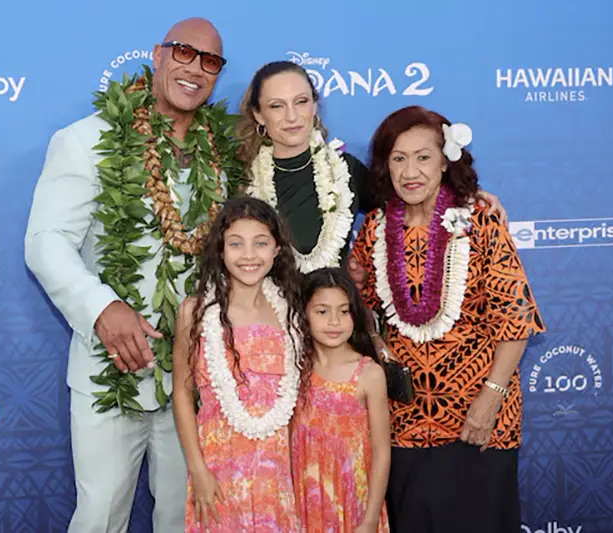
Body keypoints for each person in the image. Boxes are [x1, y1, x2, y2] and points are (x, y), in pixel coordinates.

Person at [24, 17, 242, 533]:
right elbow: (45, 241)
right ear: (158, 54)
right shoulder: (88, 139)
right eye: (184, 52)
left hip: (198, 376)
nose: (195, 69)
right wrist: (101, 306)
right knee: (100, 515)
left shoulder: (227, 153)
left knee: (187, 517)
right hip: (113, 370)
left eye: (210, 61)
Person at [350, 105, 546, 533]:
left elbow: (514, 320)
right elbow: (361, 309)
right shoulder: (375, 228)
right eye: (398, 158)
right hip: (404, 424)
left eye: (423, 156)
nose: (410, 171)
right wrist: (379, 346)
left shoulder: (480, 221)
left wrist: (490, 397)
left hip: (478, 420)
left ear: (445, 159)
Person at [235, 60, 508, 277]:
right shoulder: (240, 177)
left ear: (315, 105)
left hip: (330, 324)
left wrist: (469, 195)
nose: (292, 116)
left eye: (301, 102)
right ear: (259, 115)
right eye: (276, 106)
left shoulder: (344, 170)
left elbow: (409, 195)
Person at [171, 196, 304, 532]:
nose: (248, 255)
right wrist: (198, 471)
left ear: (276, 250)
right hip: (219, 470)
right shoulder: (196, 312)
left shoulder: (290, 314)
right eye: (236, 244)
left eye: (260, 243)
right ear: (220, 249)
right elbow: (182, 395)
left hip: (279, 473)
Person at [292, 267, 391, 533]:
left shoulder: (368, 374)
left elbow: (382, 452)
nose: (334, 321)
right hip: (301, 504)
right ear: (303, 314)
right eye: (322, 311)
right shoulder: (293, 368)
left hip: (353, 505)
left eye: (344, 311)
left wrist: (370, 519)